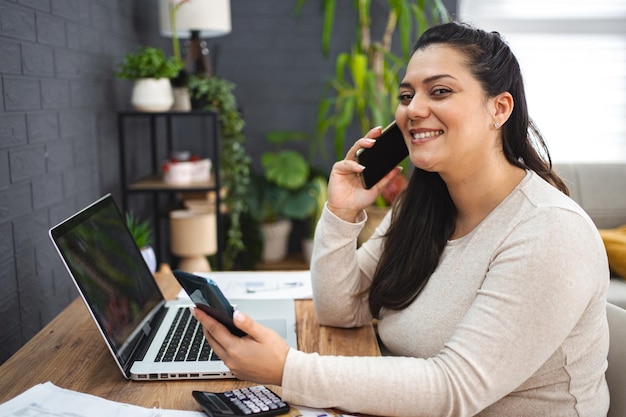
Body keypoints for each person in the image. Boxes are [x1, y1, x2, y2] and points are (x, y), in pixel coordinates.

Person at [191, 21, 610, 416]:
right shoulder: (424, 206)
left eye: (440, 92)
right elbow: (341, 309)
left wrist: (287, 369)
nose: (413, 110)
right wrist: (342, 211)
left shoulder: (550, 232)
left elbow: (455, 388)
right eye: (407, 96)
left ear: (498, 109)